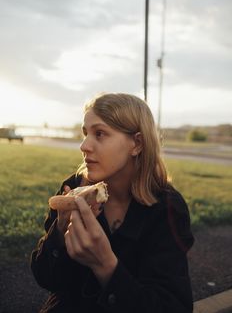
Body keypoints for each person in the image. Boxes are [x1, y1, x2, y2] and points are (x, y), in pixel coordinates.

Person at [31, 93, 194, 313]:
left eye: (100, 134)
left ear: (137, 143)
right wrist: (59, 233)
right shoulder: (73, 190)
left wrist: (105, 265)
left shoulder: (166, 208)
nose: (84, 145)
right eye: (85, 133)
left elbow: (173, 306)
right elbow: (47, 279)